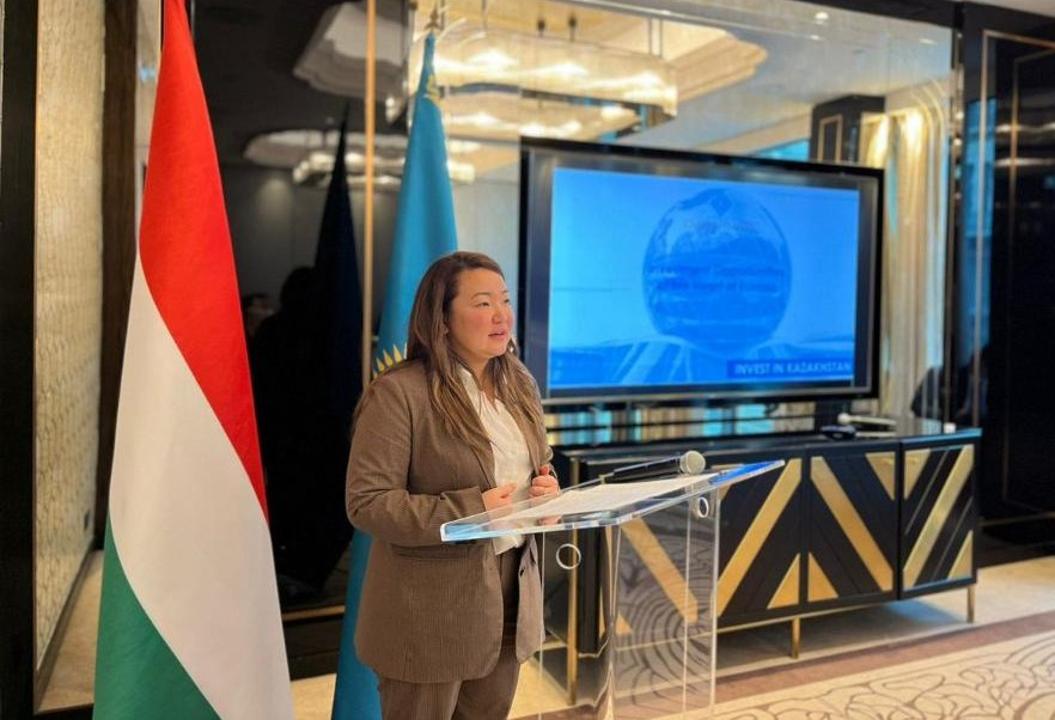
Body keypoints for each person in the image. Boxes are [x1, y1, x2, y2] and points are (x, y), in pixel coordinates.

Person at [346, 251, 560, 719]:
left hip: (510, 594)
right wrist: (470, 510)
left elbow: (535, 466)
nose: (501, 315)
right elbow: (368, 503)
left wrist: (546, 491)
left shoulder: (519, 383)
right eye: (483, 303)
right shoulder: (400, 393)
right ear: (441, 319)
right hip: (429, 612)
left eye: (504, 300)